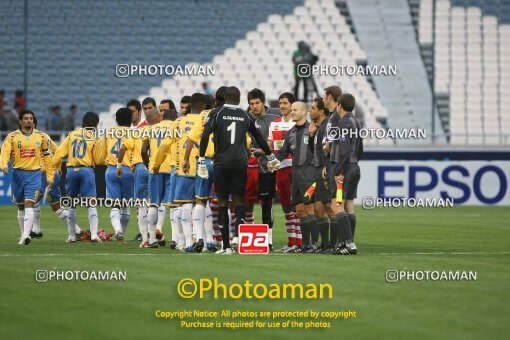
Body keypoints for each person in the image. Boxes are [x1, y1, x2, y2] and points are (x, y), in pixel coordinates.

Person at [198, 86, 280, 254]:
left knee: (222, 202)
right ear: (239, 98)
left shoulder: (217, 113)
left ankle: (226, 246)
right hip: (240, 163)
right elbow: (258, 137)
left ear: (225, 98)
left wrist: (200, 159)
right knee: (239, 201)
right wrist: (270, 156)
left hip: (221, 163)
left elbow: (205, 135)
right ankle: (239, 240)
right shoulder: (245, 114)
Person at [182, 88, 227, 253]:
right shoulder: (230, 114)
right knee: (224, 201)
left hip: (205, 162)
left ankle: (200, 238)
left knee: (201, 200)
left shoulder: (203, 115)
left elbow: (191, 138)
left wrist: (186, 159)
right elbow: (247, 141)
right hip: (223, 162)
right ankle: (224, 241)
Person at [1, 110, 54, 245]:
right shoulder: (12, 137)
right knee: (20, 206)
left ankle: (26, 235)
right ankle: (23, 233)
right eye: (26, 118)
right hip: (18, 174)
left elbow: (48, 157)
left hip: (35, 174)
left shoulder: (41, 137)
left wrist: (49, 175)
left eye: (31, 118)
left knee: (30, 203)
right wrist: (3, 164)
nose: (29, 120)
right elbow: (5, 151)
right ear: (20, 121)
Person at [273, 102, 317, 253]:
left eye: (295, 110)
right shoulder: (291, 132)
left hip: (309, 174)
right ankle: (304, 244)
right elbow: (282, 152)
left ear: (304, 111)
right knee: (299, 209)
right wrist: (273, 162)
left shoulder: (312, 129)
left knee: (310, 209)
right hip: (296, 174)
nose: (292, 112)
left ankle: (313, 243)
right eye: (291, 110)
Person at [52, 111, 103, 243]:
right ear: (96, 124)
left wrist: (57, 168)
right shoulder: (95, 138)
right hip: (86, 170)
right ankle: (93, 235)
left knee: (71, 205)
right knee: (91, 203)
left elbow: (58, 153)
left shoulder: (72, 135)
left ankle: (71, 236)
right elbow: (97, 160)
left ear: (83, 122)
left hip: (71, 171)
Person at [31, 117, 83, 240]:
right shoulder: (45, 136)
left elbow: (57, 152)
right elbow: (57, 151)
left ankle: (76, 230)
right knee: (34, 201)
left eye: (30, 120)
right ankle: (36, 229)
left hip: (47, 174)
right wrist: (58, 168)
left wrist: (56, 170)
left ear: (34, 124)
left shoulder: (38, 138)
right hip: (46, 173)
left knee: (54, 205)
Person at [324, 93, 362, 255]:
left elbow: (344, 149)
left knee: (336, 205)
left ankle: (349, 244)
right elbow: (360, 149)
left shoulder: (343, 122)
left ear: (339, 105)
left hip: (343, 169)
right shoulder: (356, 121)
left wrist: (338, 170)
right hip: (354, 166)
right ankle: (345, 243)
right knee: (348, 206)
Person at [244, 88, 280, 249]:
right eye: (251, 103)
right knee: (248, 203)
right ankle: (246, 237)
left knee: (267, 203)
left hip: (270, 167)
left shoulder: (275, 117)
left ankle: (269, 240)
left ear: (263, 102)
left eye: (257, 103)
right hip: (252, 166)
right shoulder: (247, 118)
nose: (254, 106)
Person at [268, 92, 302, 252]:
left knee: (297, 205)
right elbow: (270, 145)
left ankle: (299, 242)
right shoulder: (274, 124)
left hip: (295, 168)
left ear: (292, 105)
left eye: (285, 103)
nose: (281, 106)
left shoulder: (298, 125)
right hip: (280, 168)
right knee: (286, 206)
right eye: (280, 103)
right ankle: (291, 242)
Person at [142, 108, 176, 248]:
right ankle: (175, 239)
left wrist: (149, 165)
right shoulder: (175, 127)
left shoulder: (150, 129)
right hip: (171, 168)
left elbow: (144, 150)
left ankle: (151, 240)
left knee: (154, 204)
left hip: (155, 169)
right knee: (174, 204)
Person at [101, 108, 135, 245]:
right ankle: (121, 235)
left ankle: (118, 231)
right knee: (126, 206)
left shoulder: (108, 133)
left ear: (116, 119)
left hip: (111, 170)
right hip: (127, 170)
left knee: (114, 205)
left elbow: (102, 154)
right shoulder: (134, 133)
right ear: (131, 120)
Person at [308, 97, 331, 251]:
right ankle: (324, 243)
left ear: (321, 111)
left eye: (313, 108)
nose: (310, 111)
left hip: (323, 170)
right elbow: (313, 150)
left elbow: (329, 150)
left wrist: (326, 167)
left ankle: (331, 243)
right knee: (318, 209)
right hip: (316, 169)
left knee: (328, 207)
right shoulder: (317, 127)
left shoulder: (327, 126)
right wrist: (311, 136)